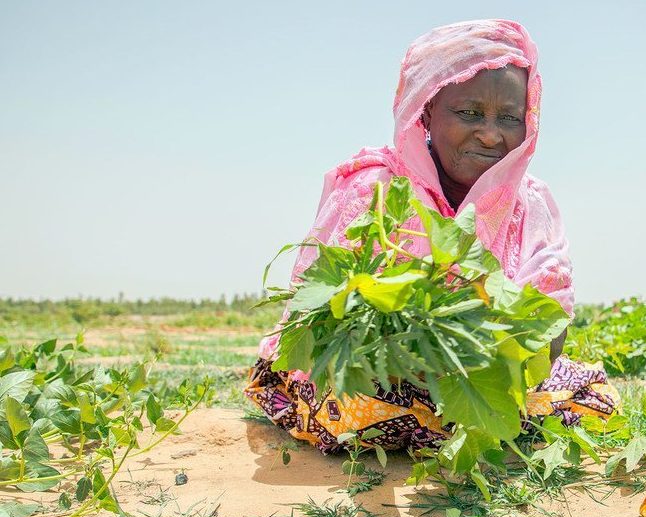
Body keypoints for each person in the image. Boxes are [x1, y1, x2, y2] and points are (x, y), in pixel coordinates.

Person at [245, 19, 619, 453]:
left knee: (585, 397)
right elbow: (325, 323)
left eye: (510, 118)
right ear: (425, 112)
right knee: (360, 406)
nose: (491, 133)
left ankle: (462, 418)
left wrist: (494, 351)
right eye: (470, 113)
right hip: (370, 373)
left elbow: (549, 324)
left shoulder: (529, 202)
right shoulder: (378, 188)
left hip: (476, 378)